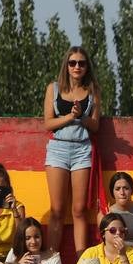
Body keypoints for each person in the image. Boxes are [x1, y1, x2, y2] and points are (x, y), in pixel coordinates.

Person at [43, 46, 101, 253]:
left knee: (79, 210)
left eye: (81, 63)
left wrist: (82, 117)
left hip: (82, 149)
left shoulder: (93, 89)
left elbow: (95, 126)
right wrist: (70, 116)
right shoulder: (54, 88)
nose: (77, 67)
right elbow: (48, 123)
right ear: (66, 66)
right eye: (73, 63)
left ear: (87, 67)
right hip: (58, 148)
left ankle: (81, 262)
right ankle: (51, 259)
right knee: (57, 209)